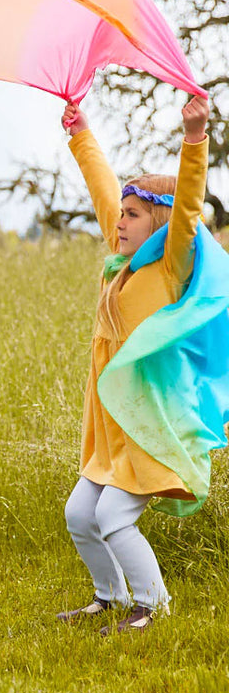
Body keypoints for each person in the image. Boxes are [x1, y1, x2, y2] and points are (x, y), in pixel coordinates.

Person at [57, 94, 229, 634]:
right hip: (112, 425)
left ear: (156, 224)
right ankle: (107, 597)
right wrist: (80, 132)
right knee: (79, 515)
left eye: (133, 216)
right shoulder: (120, 256)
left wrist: (195, 139)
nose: (120, 222)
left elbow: (187, 207)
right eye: (123, 215)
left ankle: (153, 606)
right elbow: (104, 187)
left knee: (111, 518)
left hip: (152, 422)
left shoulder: (170, 263)